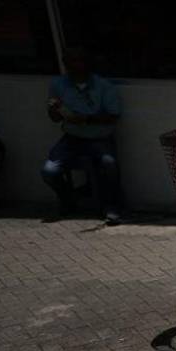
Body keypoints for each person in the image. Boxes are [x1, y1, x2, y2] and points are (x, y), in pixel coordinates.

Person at [41, 47, 124, 224]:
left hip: (99, 136)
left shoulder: (103, 86)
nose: (75, 66)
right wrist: (54, 110)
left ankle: (112, 206)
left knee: (109, 164)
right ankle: (68, 200)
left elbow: (113, 116)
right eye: (70, 62)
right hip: (72, 137)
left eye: (79, 61)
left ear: (88, 64)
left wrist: (86, 119)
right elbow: (55, 118)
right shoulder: (58, 84)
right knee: (49, 171)